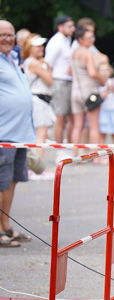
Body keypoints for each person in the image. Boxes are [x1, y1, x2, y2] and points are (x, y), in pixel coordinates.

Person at [0, 20, 36, 247]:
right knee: (1, 183)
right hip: (3, 134)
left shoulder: (13, 59)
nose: (6, 38)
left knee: (12, 182)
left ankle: (6, 226)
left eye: (10, 34)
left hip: (20, 134)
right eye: (2, 35)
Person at [22, 34, 54, 173]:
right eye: (38, 46)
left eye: (42, 45)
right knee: (41, 135)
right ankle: (37, 169)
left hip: (40, 100)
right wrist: (46, 65)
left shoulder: (31, 61)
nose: (41, 48)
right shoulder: (34, 62)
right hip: (38, 101)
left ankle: (35, 168)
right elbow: (50, 80)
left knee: (40, 134)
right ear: (30, 48)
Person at [44, 15, 75, 153]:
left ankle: (70, 148)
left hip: (68, 82)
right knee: (60, 117)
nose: (73, 29)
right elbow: (47, 64)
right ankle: (59, 150)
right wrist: (51, 85)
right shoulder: (56, 42)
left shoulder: (67, 40)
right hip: (59, 82)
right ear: (60, 27)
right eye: (69, 26)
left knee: (70, 117)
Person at [69, 26, 102, 148]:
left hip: (75, 91)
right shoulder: (88, 53)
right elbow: (92, 72)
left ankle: (75, 155)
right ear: (80, 39)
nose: (92, 40)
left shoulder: (73, 53)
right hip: (89, 91)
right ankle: (96, 157)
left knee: (78, 125)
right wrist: (102, 80)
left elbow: (69, 72)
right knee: (94, 125)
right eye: (89, 38)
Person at [97, 62, 114, 146]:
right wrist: (107, 91)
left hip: (113, 110)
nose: (105, 72)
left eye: (106, 70)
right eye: (102, 70)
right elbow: (98, 98)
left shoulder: (113, 81)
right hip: (103, 112)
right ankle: (102, 154)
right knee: (102, 134)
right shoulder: (98, 83)